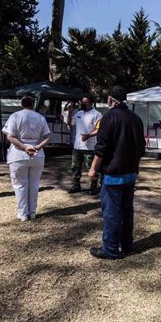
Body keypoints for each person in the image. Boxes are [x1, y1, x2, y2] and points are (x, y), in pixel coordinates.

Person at [88, 86, 146, 260]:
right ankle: (127, 244)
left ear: (110, 99)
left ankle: (110, 249)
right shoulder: (136, 118)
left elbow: (102, 149)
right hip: (131, 173)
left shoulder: (109, 117)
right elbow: (141, 147)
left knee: (112, 212)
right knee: (127, 211)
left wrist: (92, 169)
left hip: (114, 173)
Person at [3, 95, 52, 222]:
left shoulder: (15, 116)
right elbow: (48, 136)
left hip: (18, 153)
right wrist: (37, 147)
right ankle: (33, 212)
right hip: (37, 153)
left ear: (22, 104)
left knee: (20, 185)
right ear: (33, 104)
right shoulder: (40, 117)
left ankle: (23, 213)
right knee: (34, 184)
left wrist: (24, 147)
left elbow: (10, 136)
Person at [67, 95, 103, 195]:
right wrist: (70, 111)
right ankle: (76, 186)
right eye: (81, 102)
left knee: (91, 167)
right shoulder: (79, 113)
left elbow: (99, 129)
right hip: (77, 145)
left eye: (85, 102)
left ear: (91, 103)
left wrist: (89, 135)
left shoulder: (97, 114)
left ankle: (93, 187)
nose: (82, 104)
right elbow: (70, 123)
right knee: (75, 167)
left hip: (90, 147)